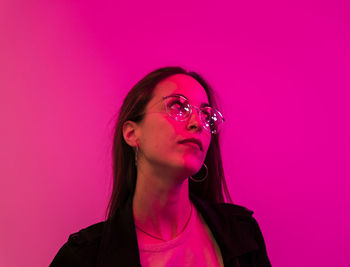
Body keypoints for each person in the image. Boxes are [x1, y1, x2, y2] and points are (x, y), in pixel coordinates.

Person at [50, 67, 271, 267]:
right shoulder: (83, 259)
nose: (197, 123)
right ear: (132, 133)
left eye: (205, 115)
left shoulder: (243, 235)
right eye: (178, 106)